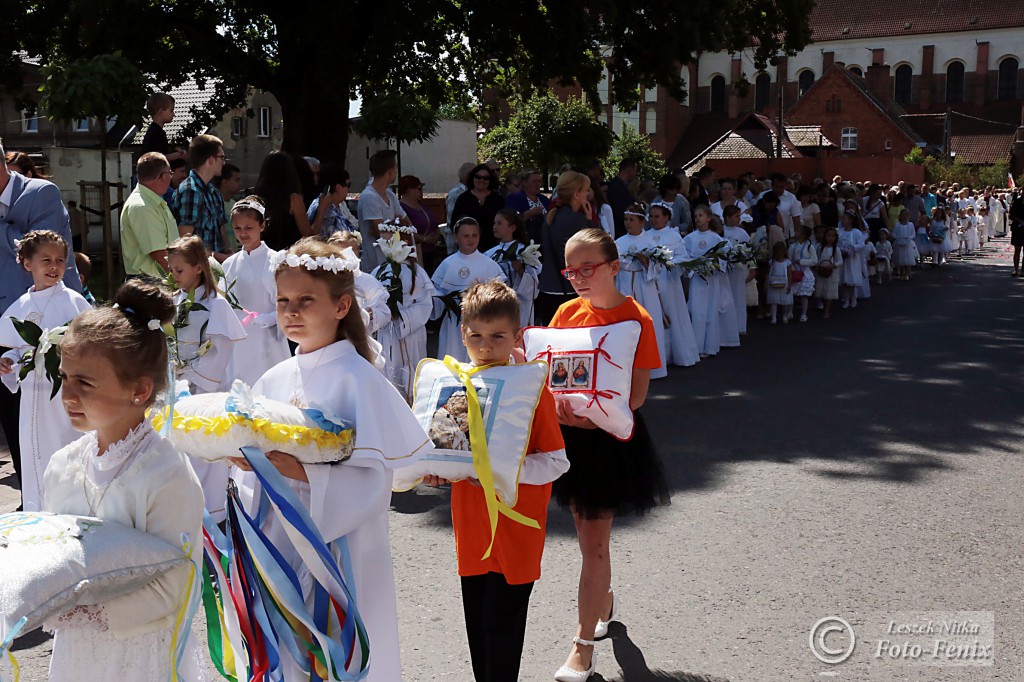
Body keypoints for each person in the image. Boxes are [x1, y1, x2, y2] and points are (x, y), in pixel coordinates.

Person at [229, 237, 430, 682]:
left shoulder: (359, 378)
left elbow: (375, 482)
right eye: (282, 301)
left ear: (342, 307)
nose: (291, 312)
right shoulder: (271, 378)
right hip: (280, 540)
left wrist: (297, 471)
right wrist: (247, 467)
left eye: (305, 300)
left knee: (339, 653)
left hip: (342, 550)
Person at [40, 279, 206, 681]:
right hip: (79, 651)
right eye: (64, 377)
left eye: (85, 382)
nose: (67, 395)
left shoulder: (165, 474)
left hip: (141, 653)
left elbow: (179, 584)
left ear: (140, 390)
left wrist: (92, 612)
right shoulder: (62, 466)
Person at [422, 280, 567, 682]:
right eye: (476, 336)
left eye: (498, 336)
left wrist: (501, 471)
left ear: (517, 336)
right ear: (462, 334)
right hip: (471, 528)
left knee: (502, 628)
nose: (485, 346)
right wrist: (440, 469)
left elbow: (555, 462)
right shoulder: (453, 386)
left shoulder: (533, 390)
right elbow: (448, 449)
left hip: (517, 529)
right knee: (478, 627)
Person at [547, 228, 669, 682]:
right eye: (570, 269)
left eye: (587, 268)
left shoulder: (637, 319)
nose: (577, 277)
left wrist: (589, 417)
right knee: (585, 536)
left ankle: (582, 647)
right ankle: (605, 599)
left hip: (610, 441)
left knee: (594, 543)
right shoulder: (564, 313)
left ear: (614, 267)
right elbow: (552, 376)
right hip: (569, 439)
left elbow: (635, 397)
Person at [0, 145, 82, 506]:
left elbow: (41, 251)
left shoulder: (39, 193)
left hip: (53, 317)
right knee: (15, 421)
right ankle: (31, 495)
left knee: (61, 426)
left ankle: (64, 500)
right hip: (11, 326)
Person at [0, 230, 92, 511]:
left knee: (68, 444)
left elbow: (90, 342)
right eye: (46, 260)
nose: (54, 267)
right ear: (27, 264)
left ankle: (73, 508)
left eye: (60, 260)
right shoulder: (21, 307)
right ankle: (38, 508)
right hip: (34, 397)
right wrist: (7, 360)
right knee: (35, 449)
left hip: (66, 394)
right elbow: (15, 349)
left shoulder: (74, 302)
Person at [165, 235, 246, 521]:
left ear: (199, 267)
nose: (174, 276)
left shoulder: (216, 305)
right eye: (171, 270)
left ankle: (214, 512)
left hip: (205, 389)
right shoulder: (173, 301)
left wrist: (192, 375)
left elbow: (221, 349)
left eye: (180, 270)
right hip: (178, 387)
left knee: (206, 450)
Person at [221, 196, 290, 387]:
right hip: (239, 342)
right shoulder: (229, 264)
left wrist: (273, 317)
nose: (243, 233)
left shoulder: (276, 261)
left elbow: (289, 300)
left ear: (262, 226)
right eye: (237, 228)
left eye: (249, 228)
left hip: (268, 339)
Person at [370, 221, 435, 399]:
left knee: (411, 369)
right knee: (389, 369)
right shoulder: (380, 271)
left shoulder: (417, 273)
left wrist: (403, 316)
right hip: (387, 331)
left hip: (410, 332)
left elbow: (425, 304)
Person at [431, 217, 507, 363]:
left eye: (474, 235)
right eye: (466, 236)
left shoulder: (488, 264)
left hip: (482, 324)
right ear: (455, 238)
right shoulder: (447, 264)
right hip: (454, 323)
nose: (471, 239)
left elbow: (500, 294)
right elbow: (437, 295)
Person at [537, 171, 593, 325]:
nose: (588, 193)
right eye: (586, 190)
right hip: (566, 290)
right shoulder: (575, 220)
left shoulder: (553, 215)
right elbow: (591, 249)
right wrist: (589, 223)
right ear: (576, 194)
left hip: (548, 288)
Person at [648, 204, 701, 365]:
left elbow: (683, 257)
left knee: (672, 313)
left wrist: (670, 263)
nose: (653, 219)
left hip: (669, 281)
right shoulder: (646, 235)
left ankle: (678, 353)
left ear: (666, 217)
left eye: (657, 216)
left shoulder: (673, 236)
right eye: (651, 216)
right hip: (652, 281)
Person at [121, 152, 180, 279]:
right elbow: (160, 255)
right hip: (149, 284)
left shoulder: (152, 201)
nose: (171, 178)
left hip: (155, 280)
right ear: (161, 176)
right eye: (170, 173)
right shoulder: (143, 207)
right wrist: (182, 278)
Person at [176, 134, 233, 262]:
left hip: (216, 270)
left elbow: (221, 232)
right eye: (221, 157)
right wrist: (221, 258)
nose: (224, 162)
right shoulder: (190, 191)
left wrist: (228, 252)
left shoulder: (214, 192)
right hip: (198, 272)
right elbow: (185, 242)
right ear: (211, 160)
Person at [325, 231, 393, 337]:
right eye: (341, 252)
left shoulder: (366, 280)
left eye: (351, 251)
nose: (348, 255)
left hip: (359, 338)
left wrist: (371, 314)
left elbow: (385, 313)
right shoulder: (323, 280)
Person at [683, 206, 731, 354]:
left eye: (701, 215)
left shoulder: (716, 238)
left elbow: (723, 259)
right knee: (697, 312)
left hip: (711, 280)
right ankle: (696, 347)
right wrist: (693, 266)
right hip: (697, 281)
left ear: (709, 218)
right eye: (696, 216)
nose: (697, 218)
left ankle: (710, 346)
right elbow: (685, 258)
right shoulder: (689, 238)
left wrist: (713, 266)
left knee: (710, 311)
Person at [484, 209, 541, 329]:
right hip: (498, 305)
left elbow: (533, 286)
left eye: (499, 223)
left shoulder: (525, 252)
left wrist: (520, 271)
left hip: (521, 306)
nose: (494, 226)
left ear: (512, 228)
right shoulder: (488, 254)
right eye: (494, 223)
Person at [254, 150, 319, 251]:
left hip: (262, 253)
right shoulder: (293, 200)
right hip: (287, 256)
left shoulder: (255, 197)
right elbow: (308, 235)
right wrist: (323, 207)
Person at [358, 149, 410, 272]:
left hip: (394, 265)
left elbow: (407, 223)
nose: (397, 171)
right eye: (396, 166)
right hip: (375, 267)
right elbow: (379, 232)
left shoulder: (390, 195)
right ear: (390, 170)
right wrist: (395, 226)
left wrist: (390, 226)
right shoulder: (369, 196)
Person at [452, 163, 506, 253]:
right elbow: (455, 222)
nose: (481, 180)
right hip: (468, 246)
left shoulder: (497, 199)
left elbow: (504, 222)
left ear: (490, 180)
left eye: (486, 178)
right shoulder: (463, 198)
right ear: (472, 178)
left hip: (493, 246)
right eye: (478, 177)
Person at [398, 174, 444, 270]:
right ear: (408, 190)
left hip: (432, 251)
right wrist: (424, 239)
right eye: (418, 188)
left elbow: (435, 223)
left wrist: (436, 235)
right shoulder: (400, 208)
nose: (421, 192)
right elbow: (404, 230)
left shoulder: (422, 205)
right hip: (416, 253)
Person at [722, 205, 754, 335]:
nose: (739, 219)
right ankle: (726, 326)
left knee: (739, 296)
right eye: (736, 216)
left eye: (739, 216)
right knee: (725, 296)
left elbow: (749, 251)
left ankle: (740, 326)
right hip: (725, 269)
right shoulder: (721, 231)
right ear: (727, 217)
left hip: (738, 269)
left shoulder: (742, 233)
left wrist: (752, 267)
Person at [307, 163, 357, 238]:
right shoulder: (323, 209)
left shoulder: (341, 204)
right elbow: (347, 233)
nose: (349, 190)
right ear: (338, 187)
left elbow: (354, 223)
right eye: (348, 185)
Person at [506, 170, 550, 244]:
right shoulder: (514, 198)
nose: (538, 184)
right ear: (524, 182)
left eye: (539, 181)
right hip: (524, 242)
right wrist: (530, 213)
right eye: (534, 181)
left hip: (544, 241)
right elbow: (510, 219)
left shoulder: (544, 199)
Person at [139, 93, 185, 161]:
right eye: (171, 111)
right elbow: (155, 158)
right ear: (160, 111)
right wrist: (176, 155)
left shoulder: (155, 131)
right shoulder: (156, 133)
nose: (173, 114)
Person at [787, 225, 818, 322]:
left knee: (804, 295)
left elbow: (814, 261)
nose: (796, 233)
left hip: (805, 273)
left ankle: (804, 314)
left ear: (804, 235)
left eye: (798, 232)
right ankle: (789, 312)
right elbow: (789, 259)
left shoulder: (810, 247)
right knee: (791, 293)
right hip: (794, 272)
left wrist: (802, 261)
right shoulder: (792, 246)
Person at [758, 173, 802, 239]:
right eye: (776, 187)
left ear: (785, 186)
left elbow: (796, 218)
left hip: (784, 236)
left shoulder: (791, 198)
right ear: (772, 185)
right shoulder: (762, 195)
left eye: (781, 187)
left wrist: (797, 233)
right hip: (764, 237)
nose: (779, 189)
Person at [837, 211, 866, 309]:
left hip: (852, 259)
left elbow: (861, 244)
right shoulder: (840, 231)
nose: (843, 221)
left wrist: (852, 248)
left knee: (852, 278)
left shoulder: (856, 232)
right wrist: (840, 250)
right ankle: (846, 299)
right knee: (844, 280)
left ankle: (853, 298)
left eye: (845, 218)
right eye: (843, 219)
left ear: (850, 220)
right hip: (843, 259)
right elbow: (837, 243)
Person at [213, 162, 243, 252]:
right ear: (225, 182)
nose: (240, 183)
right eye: (236, 180)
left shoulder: (235, 204)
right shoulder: (215, 203)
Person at [814, 227, 842, 318]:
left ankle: (827, 311)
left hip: (831, 273)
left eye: (832, 236)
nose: (830, 238)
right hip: (821, 272)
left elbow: (840, 261)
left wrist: (833, 266)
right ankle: (823, 305)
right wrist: (817, 266)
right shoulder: (820, 248)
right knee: (821, 290)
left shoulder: (836, 249)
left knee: (829, 292)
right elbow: (817, 259)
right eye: (828, 235)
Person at [605, 159, 637, 237]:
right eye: (635, 170)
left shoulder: (620, 186)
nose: (635, 174)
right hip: (620, 231)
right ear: (629, 170)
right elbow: (618, 211)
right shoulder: (616, 186)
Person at [765, 241, 793, 325]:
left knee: (785, 301)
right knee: (774, 301)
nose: (779, 255)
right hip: (773, 283)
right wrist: (766, 283)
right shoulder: (772, 262)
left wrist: (790, 285)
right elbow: (768, 273)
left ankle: (784, 316)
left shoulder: (787, 262)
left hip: (784, 283)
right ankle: (774, 317)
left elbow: (789, 274)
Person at [892, 209, 917, 281]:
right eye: (903, 215)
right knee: (901, 258)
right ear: (900, 216)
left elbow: (913, 234)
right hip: (899, 244)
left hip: (908, 244)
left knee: (908, 258)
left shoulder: (910, 224)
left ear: (909, 216)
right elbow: (894, 234)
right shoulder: (897, 225)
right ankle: (902, 273)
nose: (905, 216)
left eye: (906, 215)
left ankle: (908, 273)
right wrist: (898, 238)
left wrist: (909, 238)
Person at [1010, 191, 1024, 276]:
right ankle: (1015, 269)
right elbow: (1011, 214)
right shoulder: (1016, 201)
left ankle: (1023, 270)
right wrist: (1019, 220)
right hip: (1017, 227)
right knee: (1017, 249)